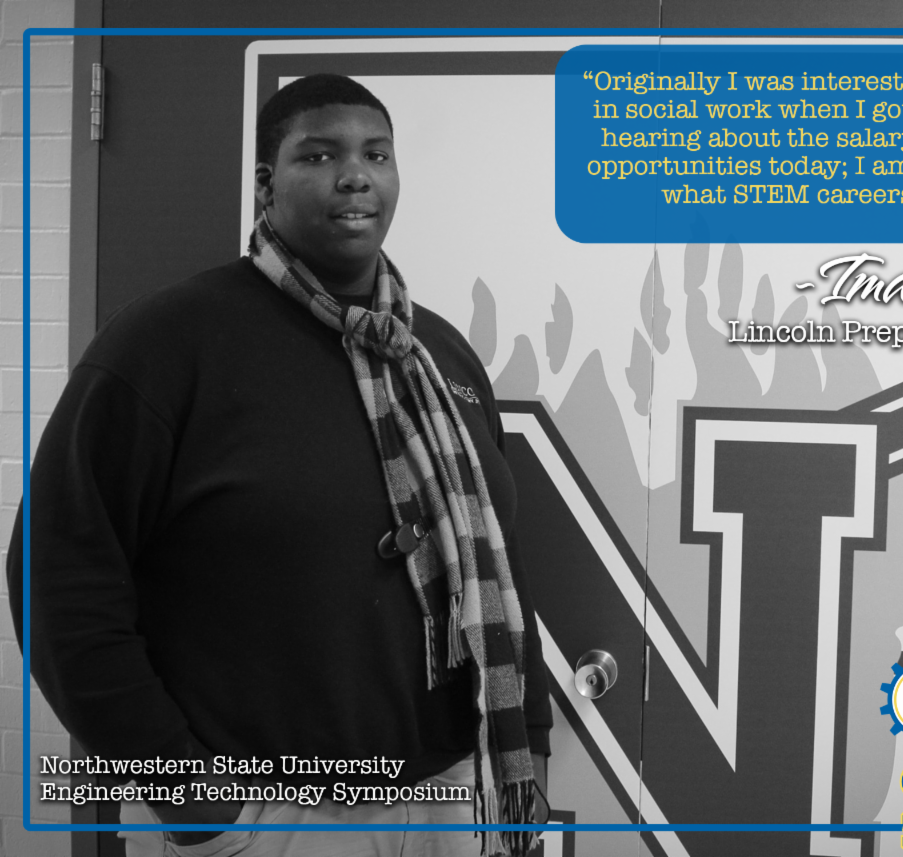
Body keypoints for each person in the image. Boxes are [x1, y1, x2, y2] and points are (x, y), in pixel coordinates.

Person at [8, 73, 551, 857]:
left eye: (376, 154)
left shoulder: (438, 355)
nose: (356, 175)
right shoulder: (168, 344)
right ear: (266, 183)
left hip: (457, 796)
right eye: (320, 155)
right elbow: (56, 576)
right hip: (272, 818)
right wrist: (191, 797)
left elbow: (502, 560)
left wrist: (528, 737)